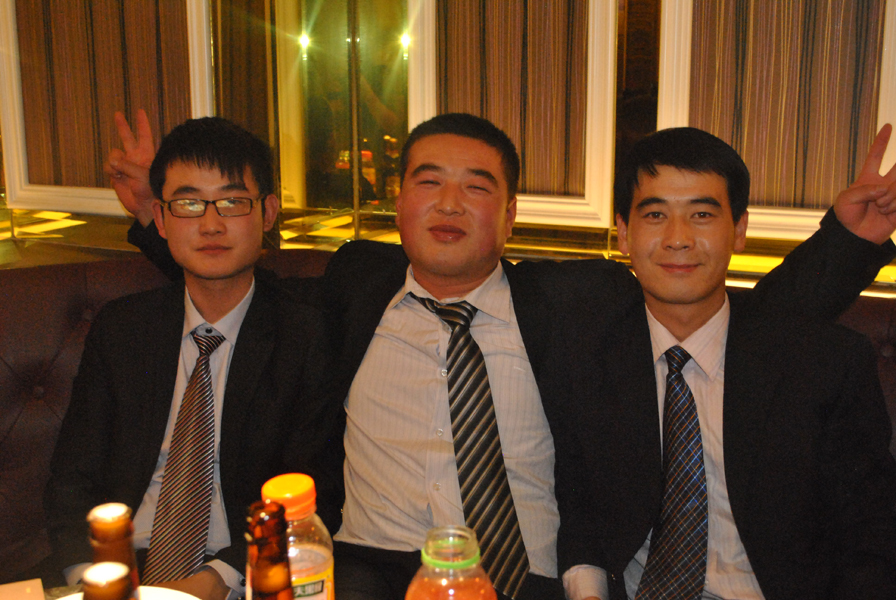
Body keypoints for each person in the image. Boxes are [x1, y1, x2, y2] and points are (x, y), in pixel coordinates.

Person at [110, 111, 896, 600]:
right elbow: (239, 294)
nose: (451, 203)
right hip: (367, 569)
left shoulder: (578, 300)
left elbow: (724, 313)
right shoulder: (353, 285)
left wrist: (849, 241)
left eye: (478, 187)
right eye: (430, 182)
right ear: (398, 202)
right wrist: (160, 220)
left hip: (528, 574)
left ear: (512, 213)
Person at [553, 128, 896, 600]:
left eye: (702, 215)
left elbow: (873, 538)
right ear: (624, 232)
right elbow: (577, 506)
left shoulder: (825, 365)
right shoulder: (588, 352)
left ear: (739, 229)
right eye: (655, 215)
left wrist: (849, 238)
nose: (678, 239)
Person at [44, 117, 334, 600]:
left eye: (233, 202)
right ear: (159, 219)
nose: (211, 224)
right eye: (189, 203)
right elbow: (72, 480)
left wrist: (216, 581)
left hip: (233, 573)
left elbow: (315, 489)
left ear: (268, 213)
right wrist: (95, 582)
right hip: (114, 569)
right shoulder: (123, 329)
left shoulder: (304, 336)